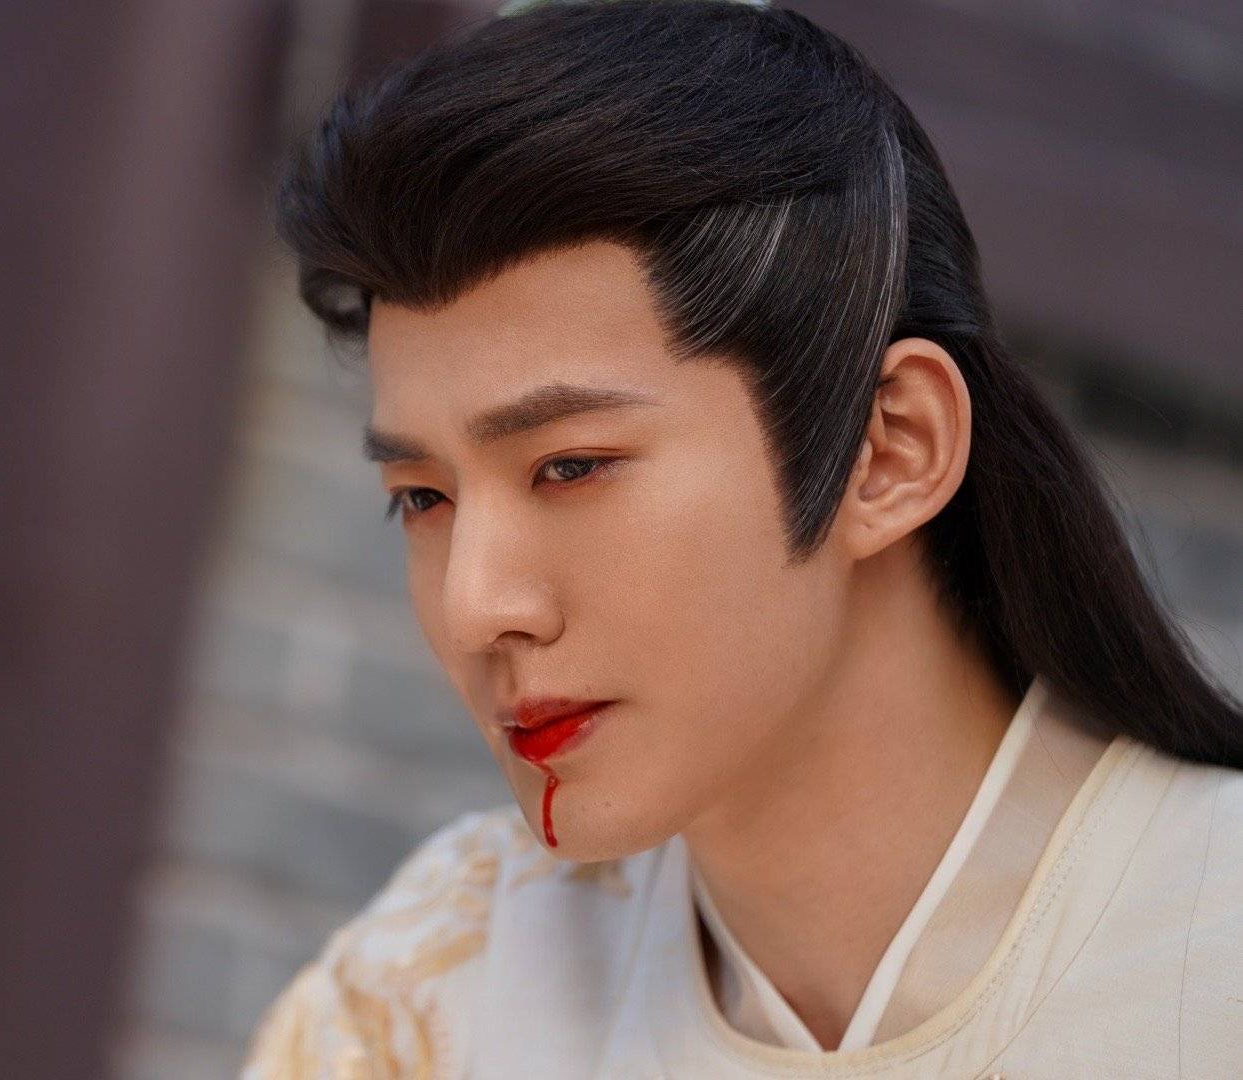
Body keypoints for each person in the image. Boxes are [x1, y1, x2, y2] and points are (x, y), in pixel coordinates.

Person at [240, 0, 1243, 1075]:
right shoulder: (425, 1002)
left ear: (890, 449)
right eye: (422, 499)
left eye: (570, 466)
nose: (475, 606)